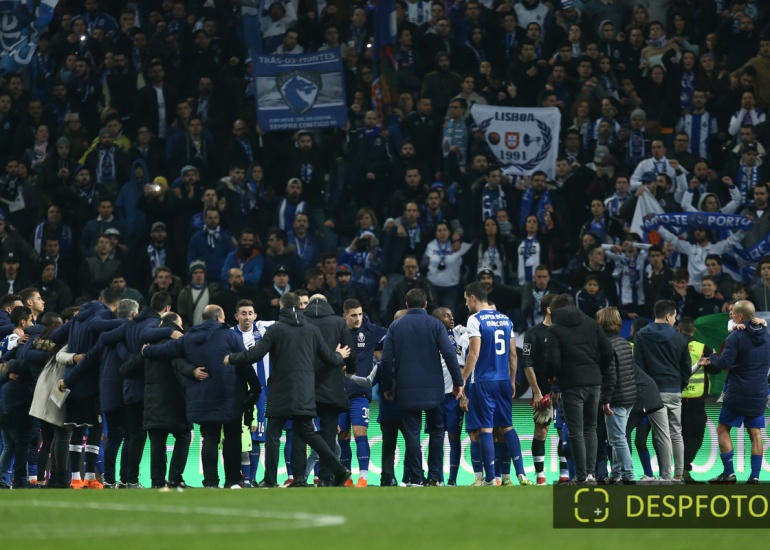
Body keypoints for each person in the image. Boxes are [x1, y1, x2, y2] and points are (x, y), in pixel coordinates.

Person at [226, 292, 352, 488]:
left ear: (281, 307)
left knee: (273, 435)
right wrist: (339, 355)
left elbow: (256, 354)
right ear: (300, 307)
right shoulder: (311, 330)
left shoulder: (276, 329)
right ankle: (339, 470)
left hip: (281, 391)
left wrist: (232, 358)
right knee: (308, 433)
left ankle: (270, 480)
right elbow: (329, 357)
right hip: (305, 391)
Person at [143, 305, 261, 489]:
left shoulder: (188, 338)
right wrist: (255, 388)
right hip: (230, 395)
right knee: (232, 438)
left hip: (203, 397)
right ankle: (232, 480)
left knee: (210, 439)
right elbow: (243, 363)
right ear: (221, 318)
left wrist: (146, 351)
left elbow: (166, 351)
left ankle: (210, 482)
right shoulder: (230, 335)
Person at [381, 288, 462, 486]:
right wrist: (458, 382)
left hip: (406, 388)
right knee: (436, 432)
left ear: (407, 305)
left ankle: (416, 478)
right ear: (426, 304)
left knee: (412, 434)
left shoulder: (395, 326)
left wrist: (387, 385)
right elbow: (450, 354)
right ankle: (434, 478)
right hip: (434, 388)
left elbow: (386, 359)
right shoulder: (435, 324)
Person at [461, 282, 530, 487]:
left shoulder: (475, 319)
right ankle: (521, 475)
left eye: (466, 299)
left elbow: (474, 353)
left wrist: (462, 380)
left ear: (473, 297)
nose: (466, 304)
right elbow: (513, 354)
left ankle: (490, 478)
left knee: (486, 430)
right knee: (508, 426)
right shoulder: (505, 319)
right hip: (503, 380)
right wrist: (511, 380)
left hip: (483, 381)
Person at [118, 311, 193, 489]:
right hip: (176, 402)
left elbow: (125, 370)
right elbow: (183, 370)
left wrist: (142, 355)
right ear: (175, 325)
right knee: (183, 437)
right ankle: (175, 478)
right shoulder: (177, 345)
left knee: (157, 443)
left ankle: (157, 482)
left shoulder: (148, 348)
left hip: (152, 404)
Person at [699, 300, 770, 484]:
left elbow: (723, 364)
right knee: (755, 433)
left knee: (722, 429)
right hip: (760, 392)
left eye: (733, 313)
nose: (730, 315)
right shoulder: (767, 335)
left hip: (738, 393)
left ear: (739, 316)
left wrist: (713, 356)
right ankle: (755, 476)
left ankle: (729, 473)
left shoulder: (736, 337)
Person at [545, 293, 613, 484]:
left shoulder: (555, 330)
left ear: (556, 311)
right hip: (594, 383)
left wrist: (553, 378)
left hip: (572, 385)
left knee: (576, 430)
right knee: (591, 429)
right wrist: (598, 370)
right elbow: (608, 352)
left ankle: (581, 476)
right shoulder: (592, 324)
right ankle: (591, 474)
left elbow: (552, 361)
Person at [633, 299, 692, 483]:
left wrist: (646, 391)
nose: (675, 321)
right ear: (668, 316)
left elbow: (638, 367)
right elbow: (686, 368)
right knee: (676, 433)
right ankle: (678, 475)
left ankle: (665, 477)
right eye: (674, 317)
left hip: (653, 393)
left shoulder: (641, 335)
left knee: (662, 435)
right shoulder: (680, 337)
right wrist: (679, 385)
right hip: (674, 390)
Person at [302, 294, 357, 486]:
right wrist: (350, 369)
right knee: (328, 432)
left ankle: (300, 476)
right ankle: (326, 477)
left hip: (303, 385)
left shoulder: (301, 320)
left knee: (302, 431)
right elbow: (350, 351)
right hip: (331, 385)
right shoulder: (337, 322)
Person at [339, 298, 387, 487]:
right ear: (345, 316)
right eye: (353, 315)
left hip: (360, 393)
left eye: (360, 314)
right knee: (342, 435)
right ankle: (346, 477)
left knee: (360, 433)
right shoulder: (336, 331)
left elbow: (392, 337)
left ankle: (364, 477)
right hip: (339, 395)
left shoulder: (371, 331)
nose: (358, 318)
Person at [231, 299, 275, 488]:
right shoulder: (230, 335)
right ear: (236, 316)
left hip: (261, 392)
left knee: (257, 435)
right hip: (238, 391)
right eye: (243, 313)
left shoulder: (264, 330)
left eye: (250, 313)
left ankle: (252, 479)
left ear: (255, 316)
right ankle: (237, 477)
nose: (247, 316)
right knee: (237, 435)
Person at [596, 307, 637, 485]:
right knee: (616, 436)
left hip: (616, 399)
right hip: (629, 397)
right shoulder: (624, 342)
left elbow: (610, 375)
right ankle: (615, 473)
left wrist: (606, 400)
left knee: (617, 438)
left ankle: (629, 475)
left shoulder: (605, 345)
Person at [521, 293, 557, 485]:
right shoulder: (533, 333)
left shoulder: (567, 333)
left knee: (566, 434)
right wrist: (536, 391)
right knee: (541, 431)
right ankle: (540, 475)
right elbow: (527, 363)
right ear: (549, 309)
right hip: (543, 392)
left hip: (565, 393)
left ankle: (566, 475)